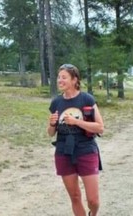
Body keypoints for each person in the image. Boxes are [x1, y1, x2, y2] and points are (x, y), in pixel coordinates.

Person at [47, 64, 104, 216]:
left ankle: (93, 213)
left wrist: (77, 122)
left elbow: (100, 127)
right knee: (75, 196)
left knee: (93, 200)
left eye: (64, 77)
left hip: (86, 150)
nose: (60, 80)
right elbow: (50, 133)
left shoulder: (86, 99)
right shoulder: (56, 103)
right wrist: (52, 123)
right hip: (64, 152)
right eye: (59, 77)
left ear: (74, 80)